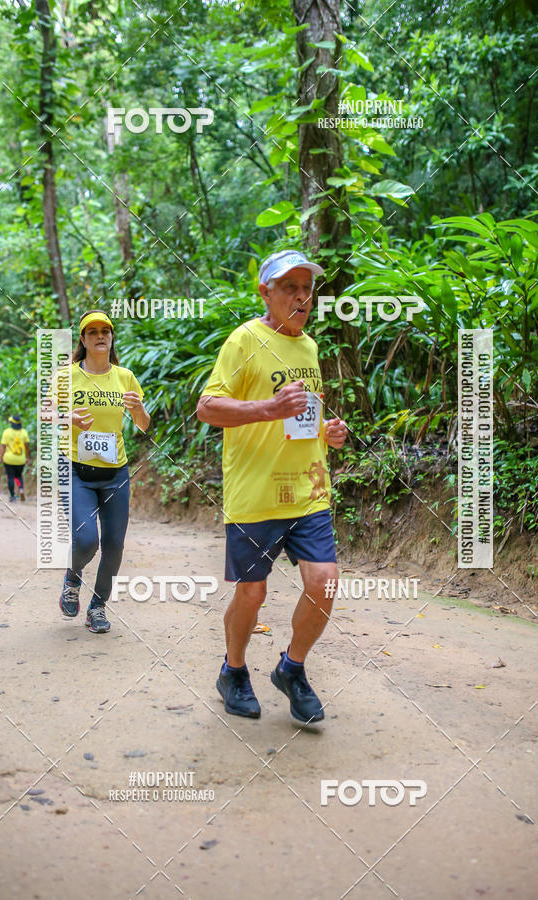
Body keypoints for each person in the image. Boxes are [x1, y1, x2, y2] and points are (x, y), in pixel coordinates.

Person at [196, 249, 349, 723]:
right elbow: (207, 408)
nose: (302, 297)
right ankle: (233, 670)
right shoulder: (244, 341)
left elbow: (304, 414)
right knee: (252, 595)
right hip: (255, 495)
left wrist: (327, 431)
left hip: (309, 489)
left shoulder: (310, 347)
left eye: (307, 289)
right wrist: (267, 409)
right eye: (290, 287)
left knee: (324, 583)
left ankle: (292, 669)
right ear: (265, 292)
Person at [55, 310, 150, 633]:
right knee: (85, 542)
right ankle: (72, 578)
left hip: (115, 473)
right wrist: (69, 419)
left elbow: (143, 424)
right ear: (82, 339)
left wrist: (139, 410)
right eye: (92, 331)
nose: (99, 336)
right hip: (75, 470)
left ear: (111, 337)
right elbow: (45, 414)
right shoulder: (66, 376)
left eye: (105, 331)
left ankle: (97, 607)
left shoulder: (125, 377)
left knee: (114, 546)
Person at [0, 414, 30, 502]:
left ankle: (12, 496)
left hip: (9, 459)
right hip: (20, 459)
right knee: (18, 476)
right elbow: (26, 447)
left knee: (11, 477)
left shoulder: (7, 432)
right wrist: (28, 457)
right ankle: (21, 489)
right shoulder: (24, 432)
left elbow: (3, 447)